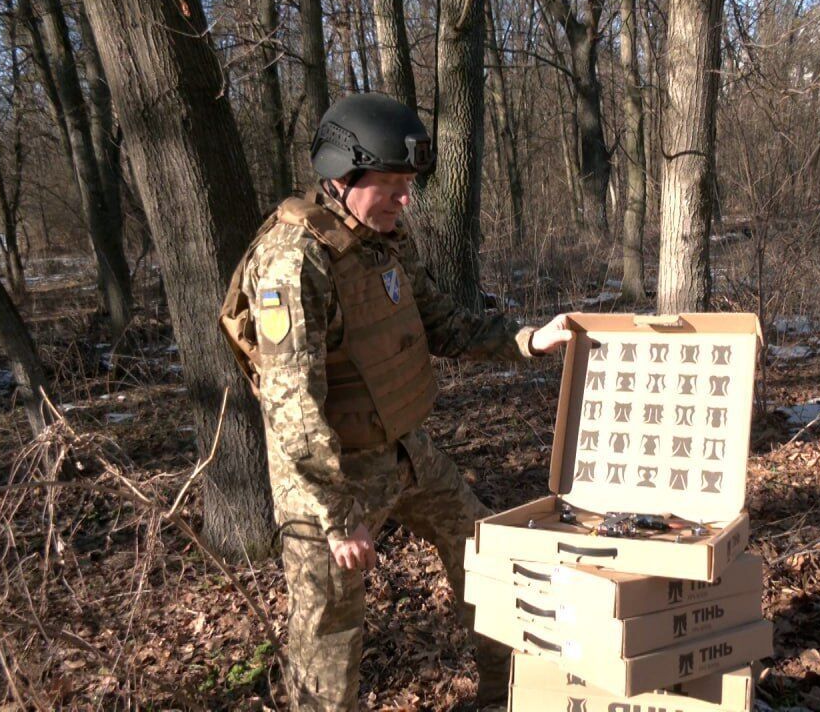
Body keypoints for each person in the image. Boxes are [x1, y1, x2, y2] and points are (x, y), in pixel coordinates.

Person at [220, 92, 573, 711]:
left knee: (483, 550)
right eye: (392, 185)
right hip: (328, 480)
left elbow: (444, 324)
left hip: (405, 451)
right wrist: (336, 514)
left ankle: (508, 696)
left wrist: (530, 341)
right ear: (343, 176)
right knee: (326, 641)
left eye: (409, 185)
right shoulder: (293, 262)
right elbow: (292, 403)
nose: (406, 199)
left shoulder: (383, 238)